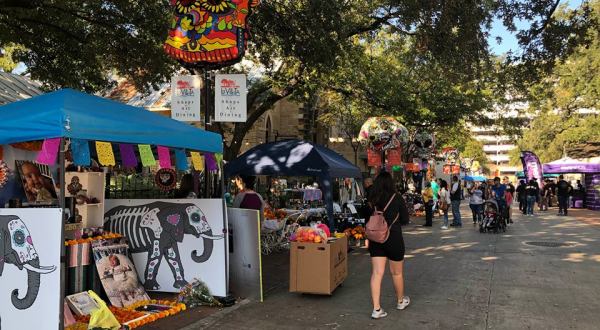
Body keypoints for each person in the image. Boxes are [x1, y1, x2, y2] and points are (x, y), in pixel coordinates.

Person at [367, 171, 410, 319]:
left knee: (377, 273)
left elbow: (366, 217)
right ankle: (400, 301)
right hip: (394, 238)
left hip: (375, 238)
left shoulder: (372, 198)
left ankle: (376, 309)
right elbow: (405, 219)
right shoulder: (397, 197)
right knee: (396, 273)